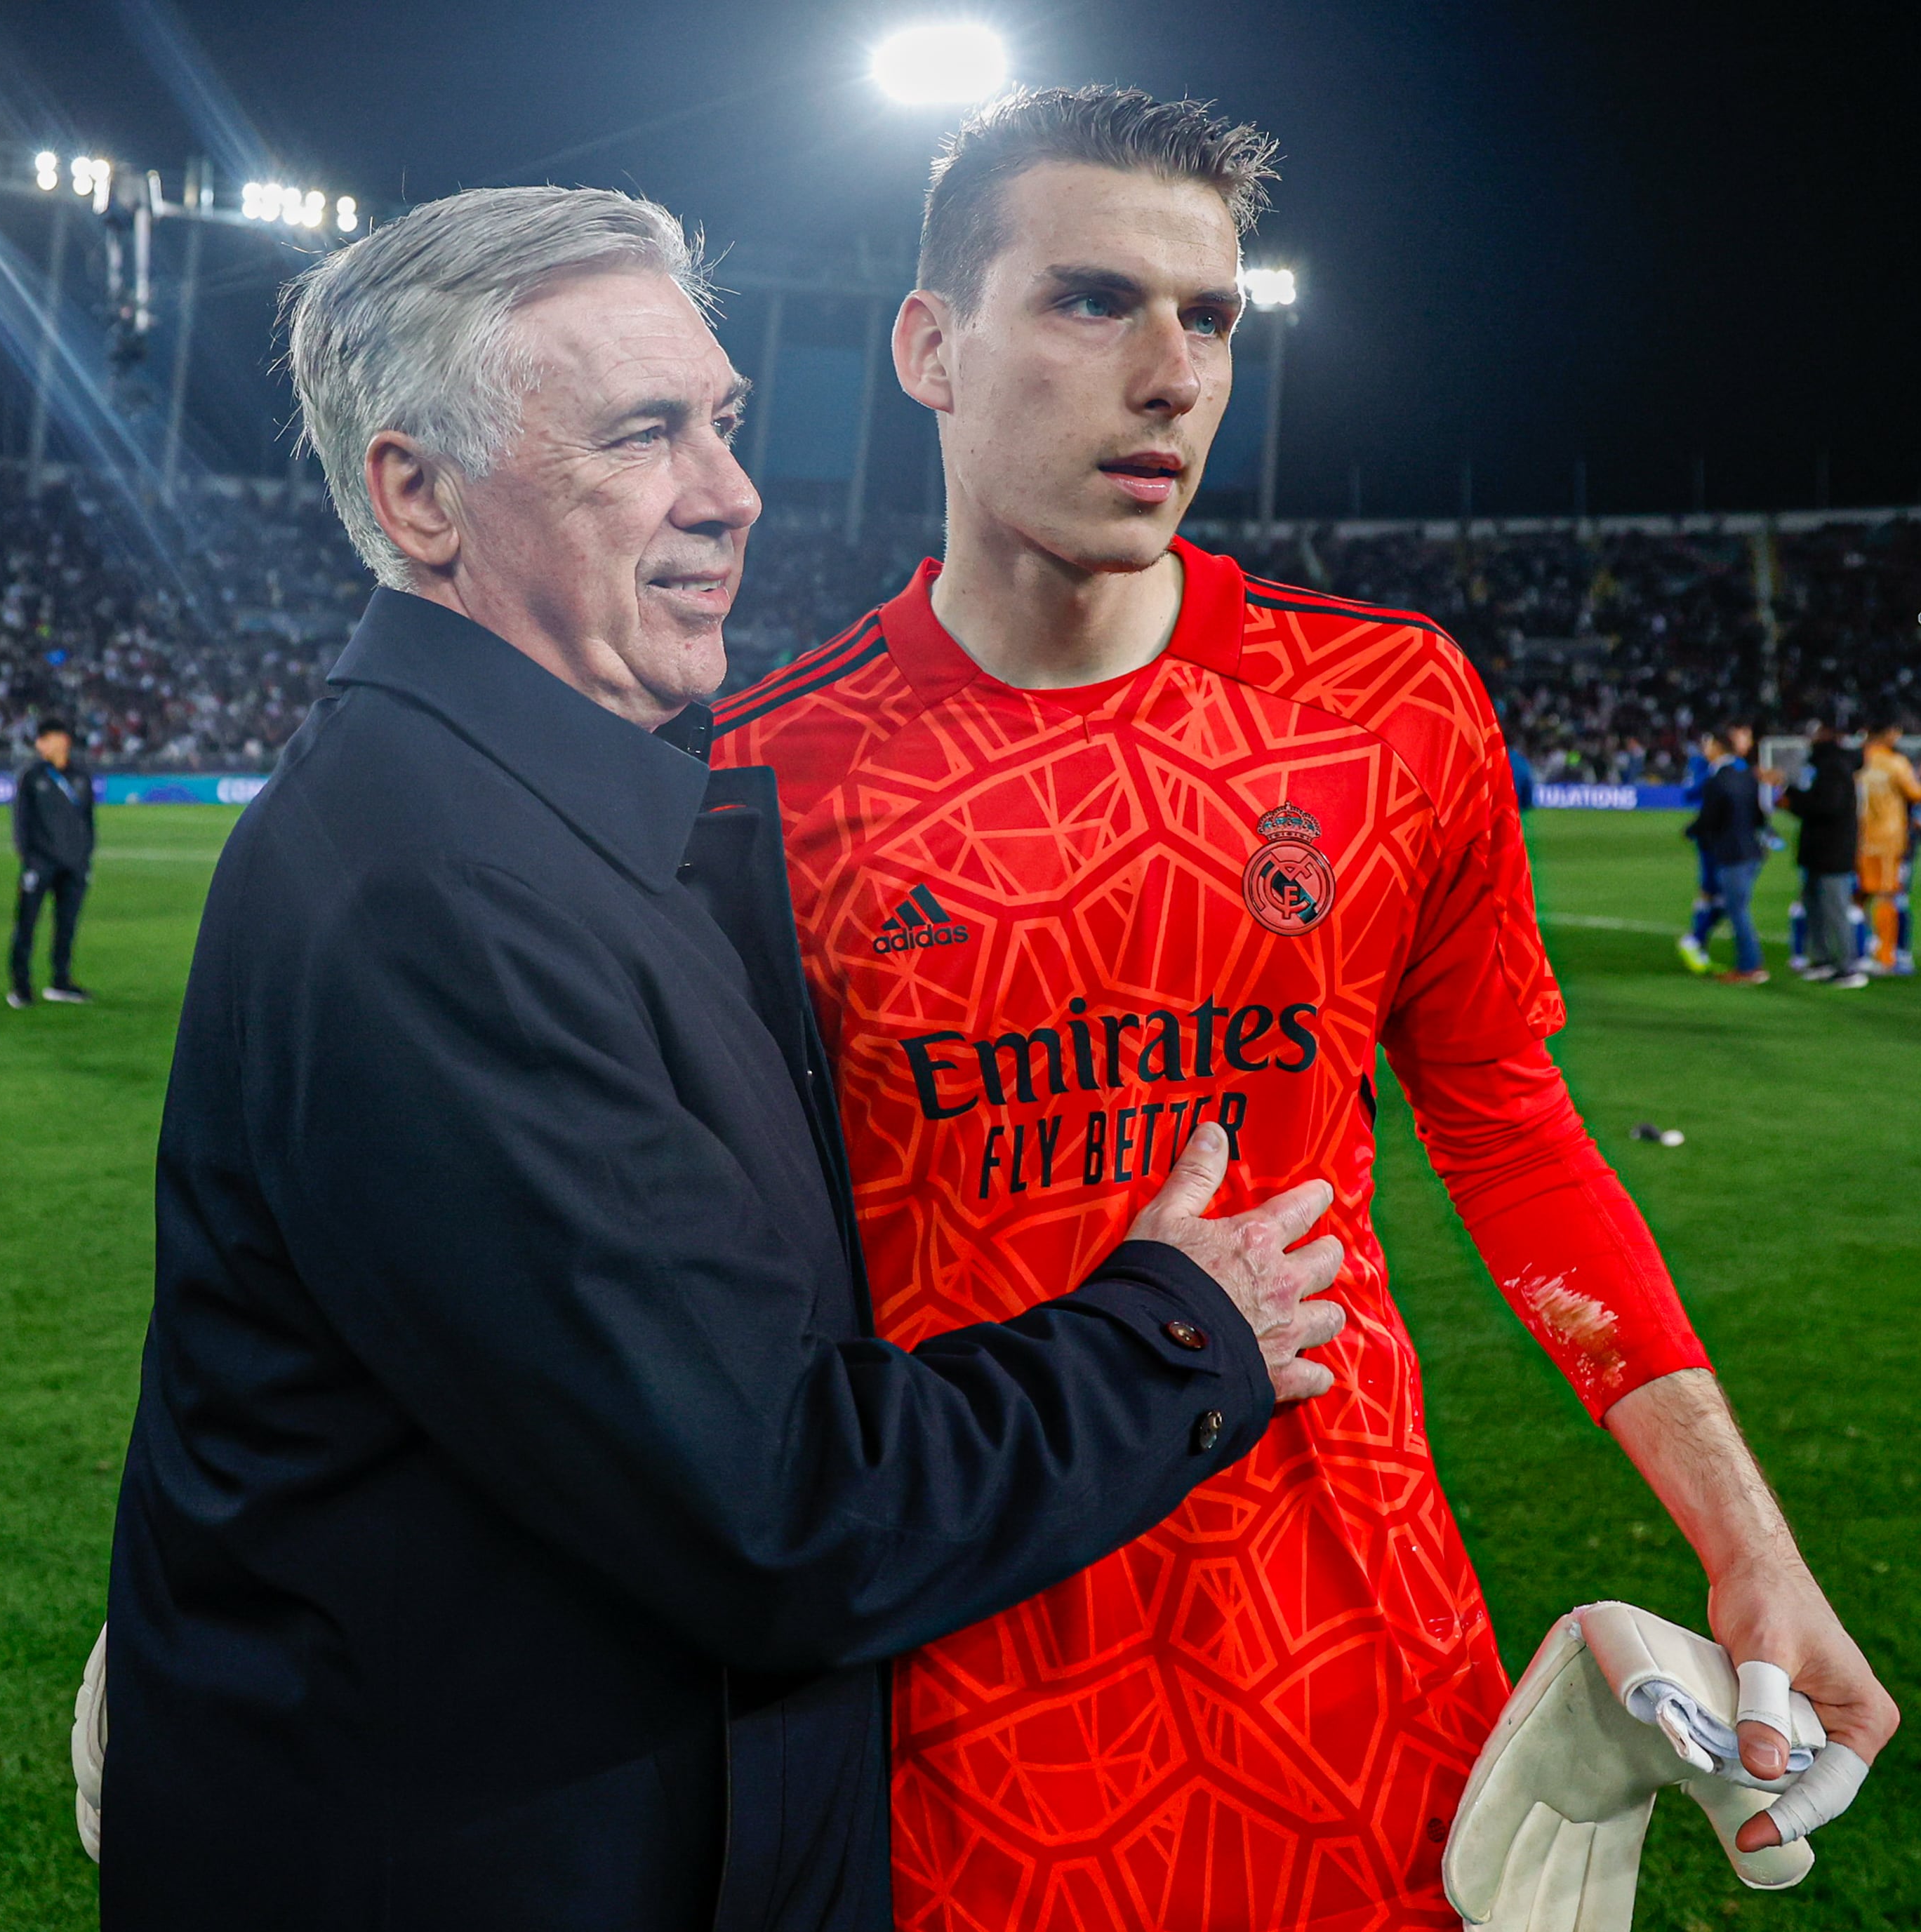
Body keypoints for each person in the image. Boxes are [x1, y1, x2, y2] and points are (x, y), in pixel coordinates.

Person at [99, 185, 1350, 1931]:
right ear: (416, 495)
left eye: (723, 424)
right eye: (642, 435)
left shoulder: (538, 813)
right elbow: (780, 1508)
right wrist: (1175, 1332)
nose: (732, 493)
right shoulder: (439, 888)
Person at [712, 87, 1895, 1929]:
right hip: (958, 1720)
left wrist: (1746, 1545)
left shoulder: (1390, 711)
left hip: (1362, 1668)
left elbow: (1509, 1129)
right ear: (930, 348)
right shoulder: (752, 784)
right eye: (1095, 300)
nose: (1174, 374)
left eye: (1213, 318)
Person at [8, 717, 95, 1008]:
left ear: (63, 740)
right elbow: (21, 823)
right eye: (40, 740)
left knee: (66, 926)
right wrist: (29, 859)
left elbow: (88, 822)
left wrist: (85, 859)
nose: (41, 744)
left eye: (46, 738)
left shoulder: (81, 776)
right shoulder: (31, 777)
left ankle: (61, 982)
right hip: (40, 864)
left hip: (74, 866)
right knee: (26, 925)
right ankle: (21, 987)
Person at [1686, 722, 1772, 983]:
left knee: (1737, 911)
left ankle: (1750, 967)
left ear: (1717, 747)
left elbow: (1708, 820)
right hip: (1753, 851)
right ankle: (1698, 941)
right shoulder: (1747, 776)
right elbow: (1759, 816)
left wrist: (1690, 832)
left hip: (1732, 855)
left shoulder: (1716, 780)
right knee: (1735, 906)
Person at [1783, 725, 1865, 986]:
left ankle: (1848, 966)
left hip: (1832, 852)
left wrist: (1792, 799)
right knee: (1814, 907)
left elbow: (1826, 807)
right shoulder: (1829, 766)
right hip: (1821, 851)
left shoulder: (1834, 767)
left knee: (1835, 909)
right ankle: (1823, 960)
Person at [1854, 721, 1921, 975]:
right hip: (1889, 839)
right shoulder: (1895, 762)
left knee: (1858, 897)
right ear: (1890, 733)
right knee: (1887, 896)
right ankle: (1886, 956)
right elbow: (1917, 793)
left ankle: (1856, 950)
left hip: (1860, 836)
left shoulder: (1859, 761)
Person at [1676, 730, 1724, 973]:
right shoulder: (1702, 766)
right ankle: (1697, 941)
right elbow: (1690, 793)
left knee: (1723, 896)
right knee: (1713, 892)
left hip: (1726, 839)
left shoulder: (1731, 766)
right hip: (1710, 839)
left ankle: (1696, 941)